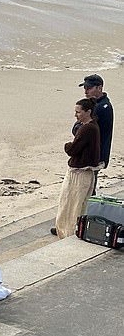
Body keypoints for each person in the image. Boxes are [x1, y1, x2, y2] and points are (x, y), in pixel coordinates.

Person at [52, 98, 100, 239]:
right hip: (84, 172)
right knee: (76, 205)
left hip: (79, 173)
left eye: (78, 112)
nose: (76, 115)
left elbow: (73, 149)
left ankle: (68, 234)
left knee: (71, 205)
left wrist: (67, 145)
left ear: (88, 112)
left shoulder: (87, 128)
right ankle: (70, 232)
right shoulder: (92, 127)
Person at [80, 74, 114, 192]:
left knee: (87, 188)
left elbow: (82, 131)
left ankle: (88, 209)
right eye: (85, 88)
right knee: (88, 186)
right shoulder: (99, 105)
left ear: (99, 88)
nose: (86, 91)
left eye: (89, 88)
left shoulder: (101, 107)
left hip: (95, 154)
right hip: (96, 153)